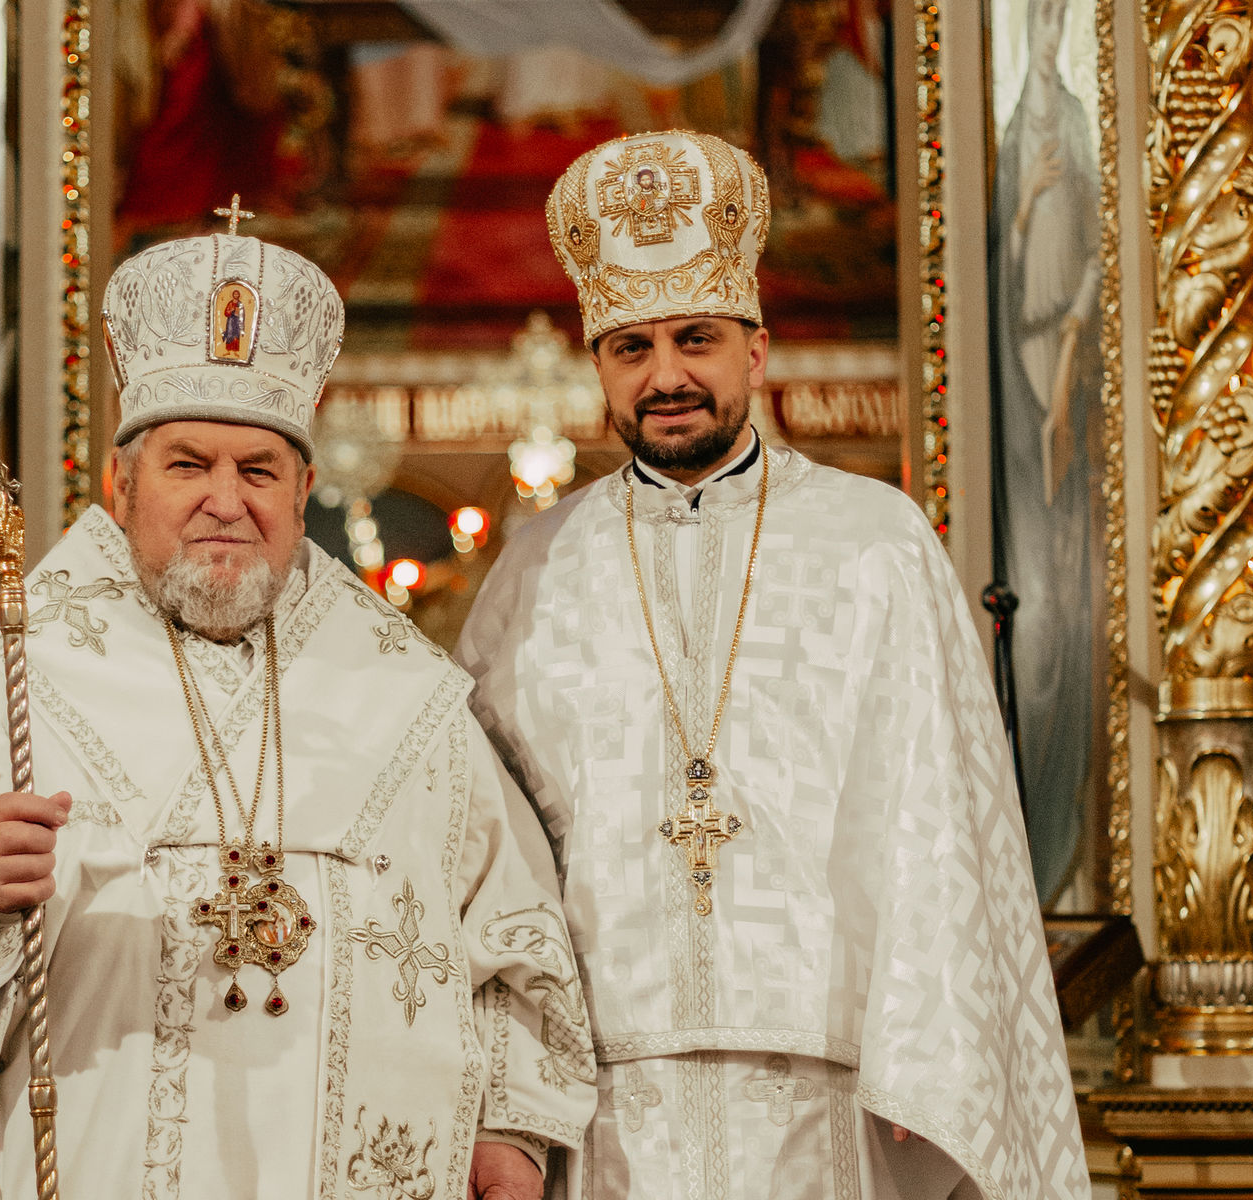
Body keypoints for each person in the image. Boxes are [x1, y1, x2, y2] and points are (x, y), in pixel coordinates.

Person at [0, 221, 596, 1200]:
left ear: (306, 488)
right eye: (188, 465)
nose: (225, 500)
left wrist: (511, 1136)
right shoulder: (21, 672)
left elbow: (518, 946)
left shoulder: (409, 694)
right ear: (120, 485)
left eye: (259, 470)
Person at [455, 131, 1089, 1198]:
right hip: (609, 1095)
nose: (666, 377)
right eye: (631, 347)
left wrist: (927, 1054)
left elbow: (942, 814)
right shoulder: (535, 570)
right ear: (598, 367)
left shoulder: (875, 544)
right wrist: (514, 1097)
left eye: (694, 339)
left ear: (756, 349)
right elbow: (486, 847)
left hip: (831, 1093)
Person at [989, 0, 1103, 902]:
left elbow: (1102, 244)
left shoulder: (1074, 119)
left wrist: (1073, 346)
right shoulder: (1012, 139)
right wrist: (1024, 205)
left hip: (1067, 349)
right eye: (1037, 26)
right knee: (1034, 603)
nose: (1047, 40)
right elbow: (999, 255)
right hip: (1018, 348)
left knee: (1072, 570)